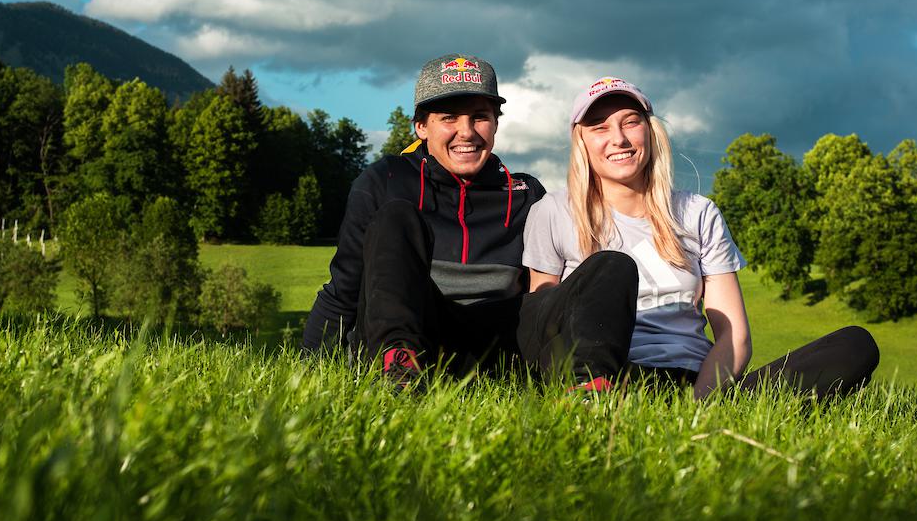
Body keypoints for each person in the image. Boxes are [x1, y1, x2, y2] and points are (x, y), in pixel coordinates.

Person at [522, 77, 879, 399]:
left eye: (630, 122)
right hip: (611, 376)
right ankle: (593, 399)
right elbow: (543, 319)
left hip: (699, 383)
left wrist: (698, 408)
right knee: (612, 267)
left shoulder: (697, 213)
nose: (619, 138)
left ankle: (722, 411)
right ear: (581, 142)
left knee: (854, 345)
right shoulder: (554, 211)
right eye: (599, 127)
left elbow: (734, 336)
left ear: (650, 131)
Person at [302, 55, 639, 391]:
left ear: (495, 122)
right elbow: (345, 290)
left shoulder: (525, 192)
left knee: (613, 265)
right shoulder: (386, 179)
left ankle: (586, 391)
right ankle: (400, 376)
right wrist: (307, 373)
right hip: (418, 330)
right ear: (421, 126)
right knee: (396, 216)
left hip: (497, 344)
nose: (467, 132)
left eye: (480, 117)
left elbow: (543, 295)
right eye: (449, 117)